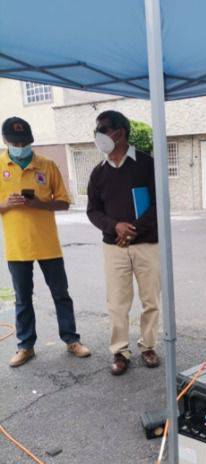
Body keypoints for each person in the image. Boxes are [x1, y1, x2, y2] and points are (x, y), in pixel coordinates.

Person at [0, 117, 90, 367]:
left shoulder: (47, 165)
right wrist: (5, 204)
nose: (21, 145)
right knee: (22, 298)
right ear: (5, 140)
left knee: (61, 294)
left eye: (25, 141)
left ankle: (72, 340)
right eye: (16, 142)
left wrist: (40, 203)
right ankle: (25, 346)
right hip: (17, 247)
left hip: (48, 244)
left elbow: (63, 202)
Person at [87, 110, 160, 376]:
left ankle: (148, 346)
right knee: (117, 302)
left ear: (120, 132)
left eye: (103, 129)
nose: (99, 134)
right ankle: (120, 350)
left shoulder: (146, 164)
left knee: (150, 299)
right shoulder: (98, 173)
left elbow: (159, 204)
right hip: (113, 247)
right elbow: (92, 211)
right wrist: (114, 227)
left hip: (146, 244)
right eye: (97, 129)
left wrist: (134, 229)